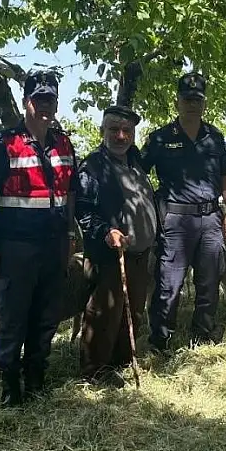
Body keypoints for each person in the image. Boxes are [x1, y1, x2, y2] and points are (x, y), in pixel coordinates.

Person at [0, 71, 78, 407]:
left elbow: (70, 193)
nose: (45, 106)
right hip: (16, 246)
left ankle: (36, 378)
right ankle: (10, 387)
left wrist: (70, 234)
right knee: (13, 315)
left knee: (46, 315)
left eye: (50, 100)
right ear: (26, 102)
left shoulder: (64, 144)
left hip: (53, 244)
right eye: (39, 99)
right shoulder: (4, 143)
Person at [140, 72, 226, 353]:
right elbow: (138, 172)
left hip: (210, 219)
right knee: (169, 284)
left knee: (209, 281)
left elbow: (225, 175)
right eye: (187, 99)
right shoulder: (160, 138)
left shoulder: (214, 137)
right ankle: (160, 341)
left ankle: (203, 335)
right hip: (174, 220)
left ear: (203, 103)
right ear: (178, 102)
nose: (192, 104)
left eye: (197, 99)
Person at [74, 105, 158, 387]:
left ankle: (120, 362)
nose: (121, 136)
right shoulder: (92, 166)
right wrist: (106, 231)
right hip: (110, 253)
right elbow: (83, 211)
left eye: (127, 131)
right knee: (104, 313)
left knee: (131, 309)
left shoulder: (134, 160)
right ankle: (94, 372)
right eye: (114, 130)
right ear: (102, 132)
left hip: (138, 253)